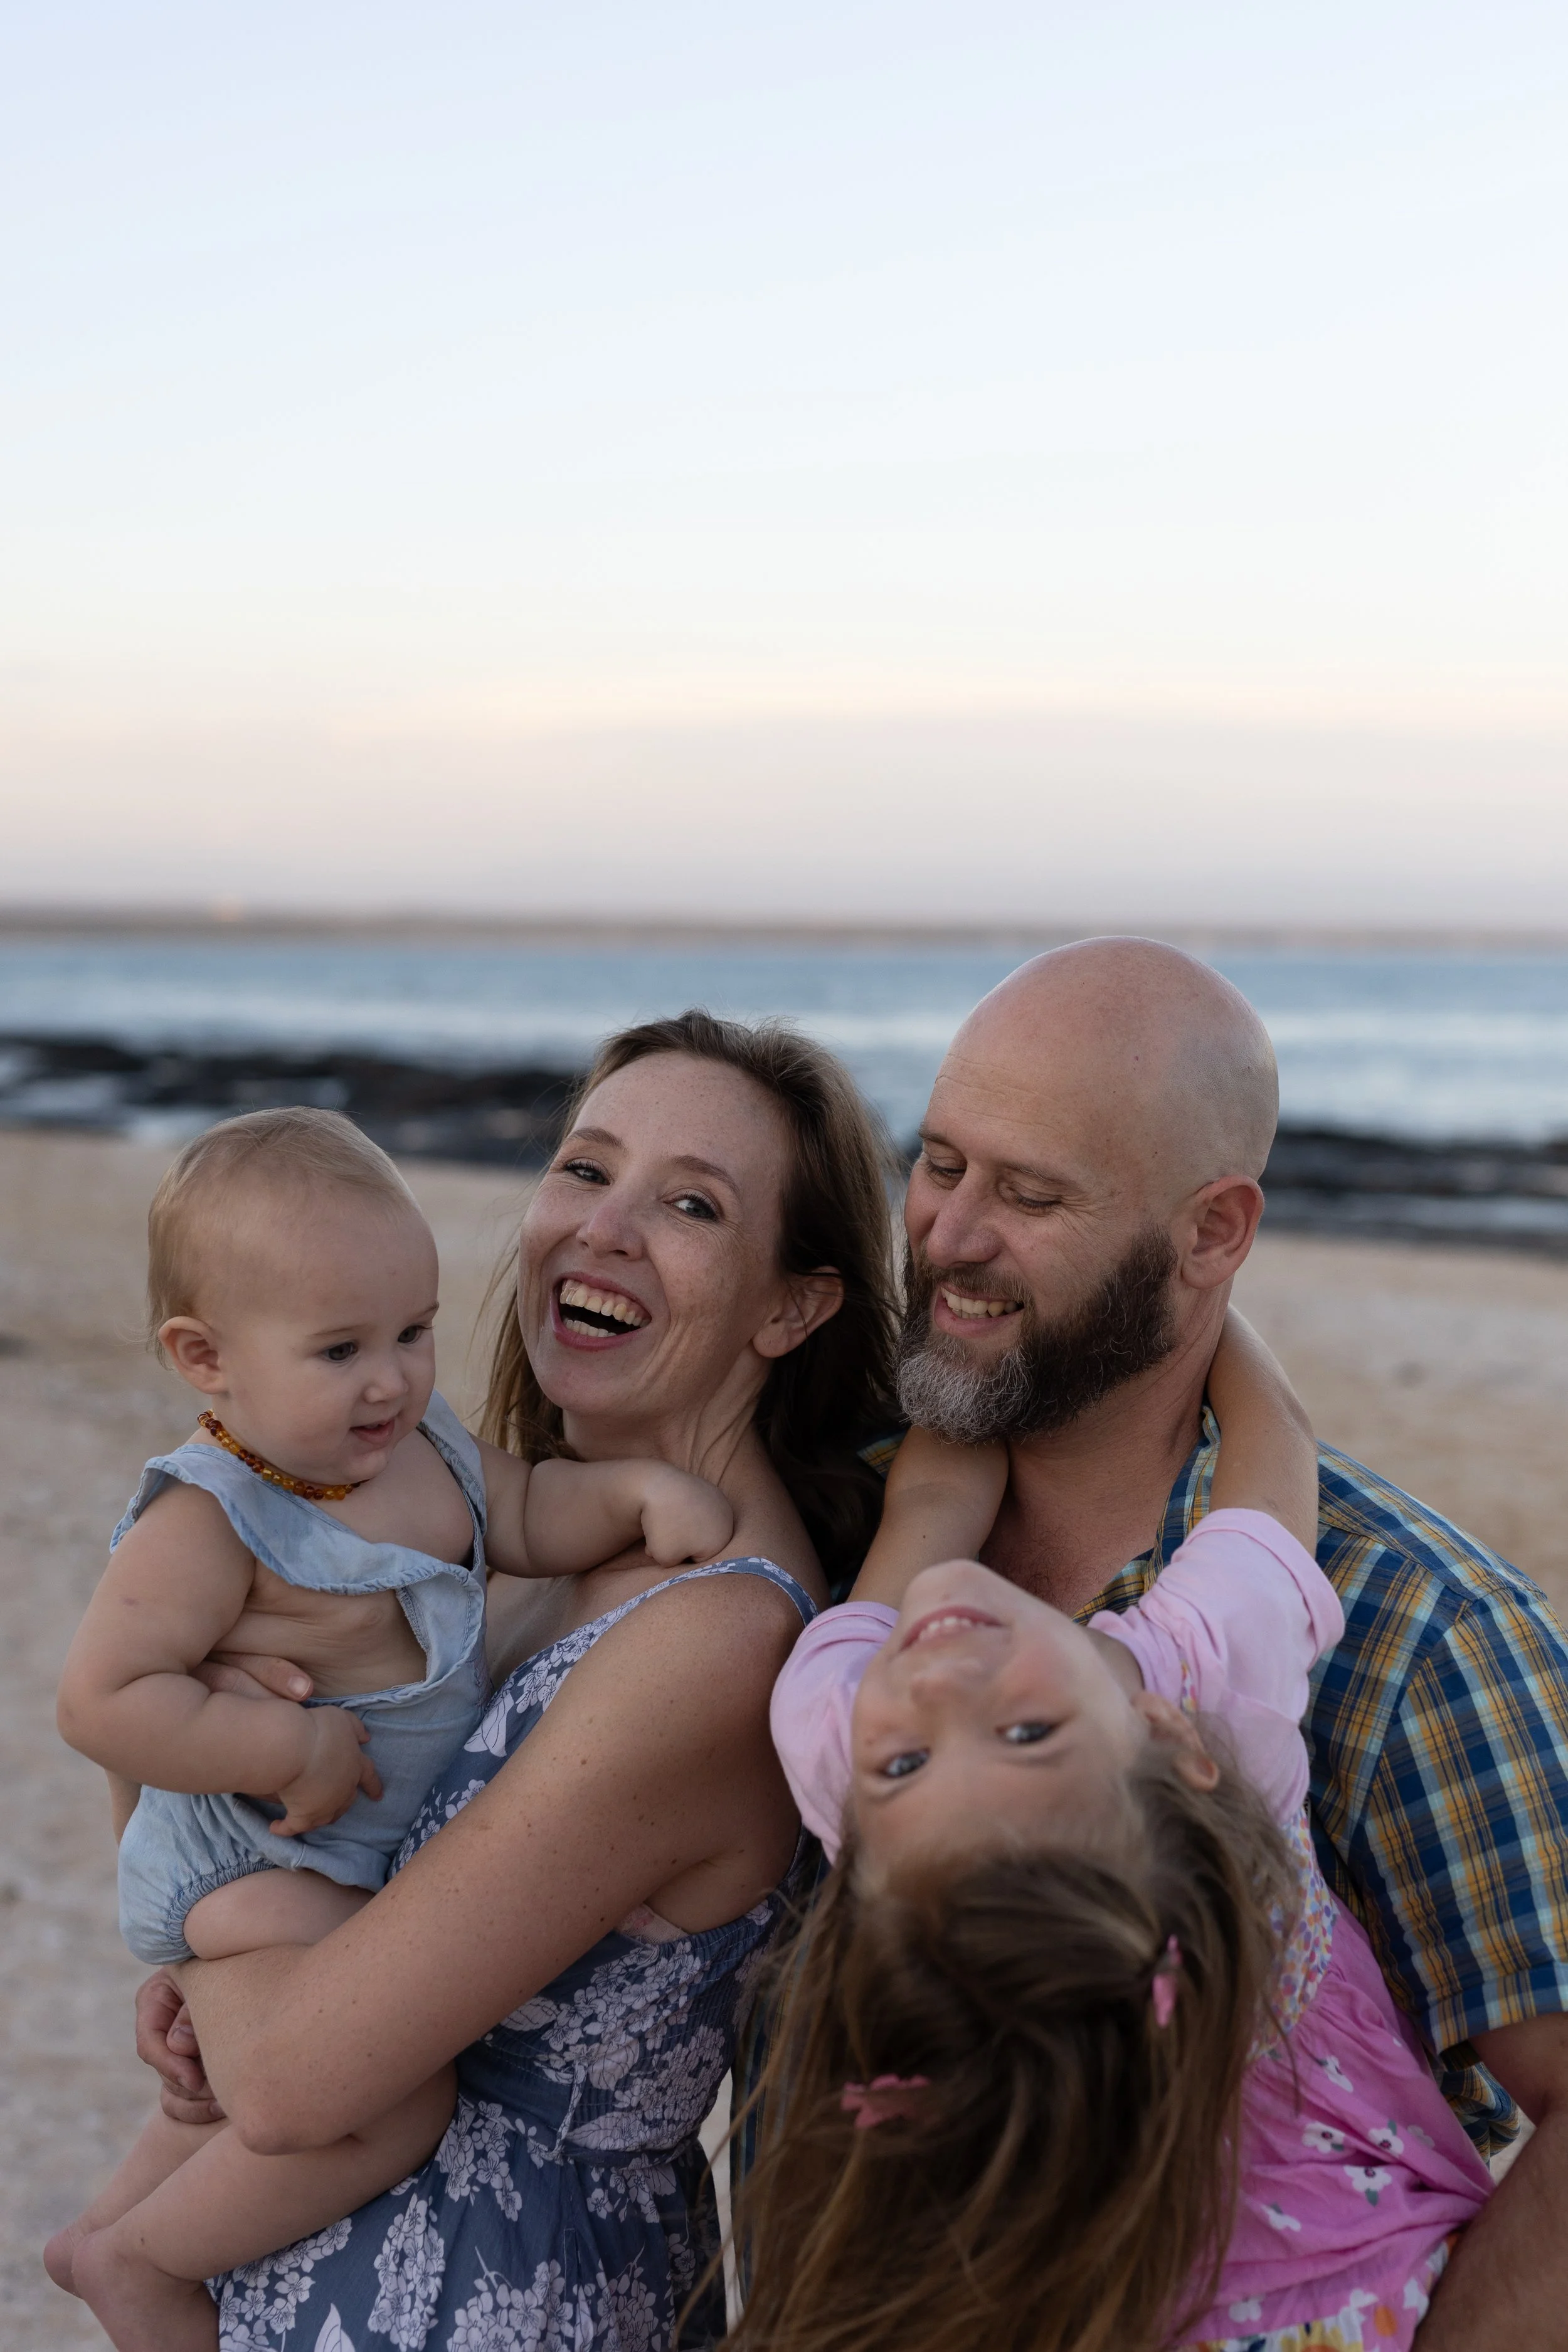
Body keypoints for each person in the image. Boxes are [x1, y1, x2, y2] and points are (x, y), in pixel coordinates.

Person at [69, 1012, 900, 2351]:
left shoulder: (717, 1639)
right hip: (319, 2271)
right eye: (584, 1168)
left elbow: (290, 2079)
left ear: (792, 1306)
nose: (601, 1228)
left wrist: (223, 1961)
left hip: (499, 2292)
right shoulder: (487, 1540)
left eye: (687, 1203)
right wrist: (207, 1948)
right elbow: (180, 1806)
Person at [863, 935, 1568, 2349]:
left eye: (1030, 1193)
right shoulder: (866, 1530)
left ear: (1210, 1234)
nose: (948, 1234)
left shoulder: (1415, 1630)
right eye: (938, 1163)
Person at [742, 1317, 1491, 2352]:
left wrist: (992, 1349)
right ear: (1175, 1745)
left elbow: (928, 1509)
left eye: (909, 1763)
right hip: (1351, 2290)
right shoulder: (1219, 1720)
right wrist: (1192, 1309)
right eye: (1026, 1732)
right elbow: (1275, 1443)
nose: (941, 1686)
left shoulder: (844, 1734)